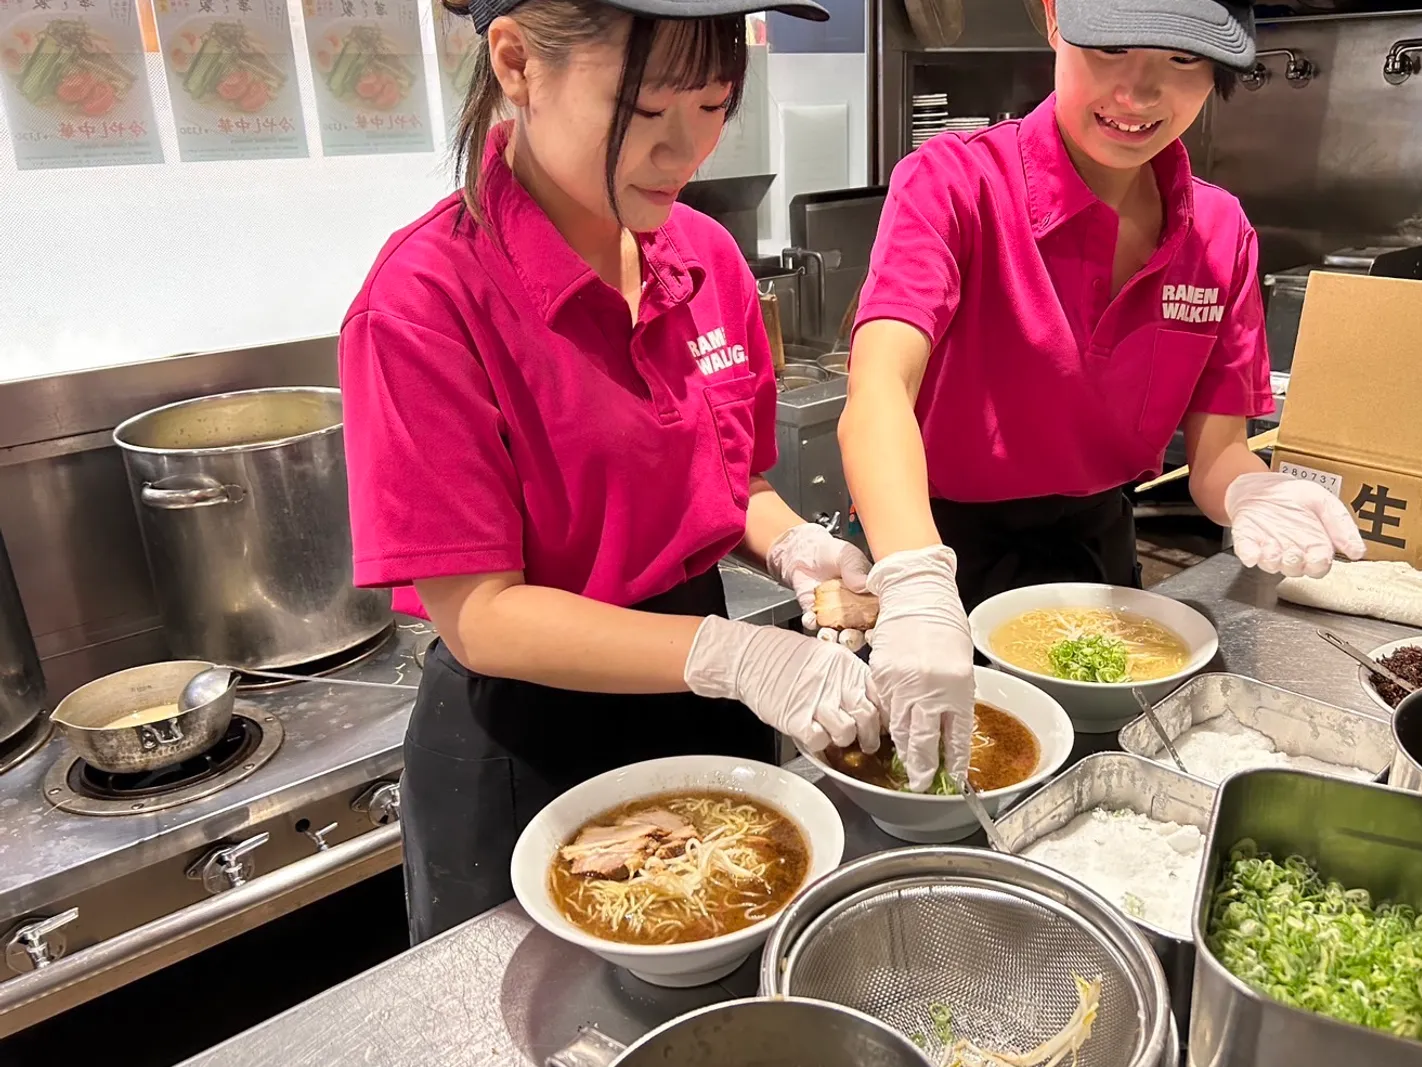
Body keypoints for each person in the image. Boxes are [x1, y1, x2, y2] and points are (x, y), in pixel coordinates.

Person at [339, 0, 880, 943]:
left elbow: (736, 481)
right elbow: (482, 614)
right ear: (515, 63)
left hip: (707, 715)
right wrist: (736, 652)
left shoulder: (705, 256)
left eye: (713, 106)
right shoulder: (425, 299)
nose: (688, 152)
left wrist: (793, 545)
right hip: (529, 742)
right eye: (645, 112)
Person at [838, 0, 1364, 792]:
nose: (1140, 92)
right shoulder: (955, 184)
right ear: (1054, 17)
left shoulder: (1220, 235)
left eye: (1183, 60)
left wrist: (1251, 487)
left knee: (1097, 788)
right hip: (932, 552)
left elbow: (1214, 458)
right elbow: (879, 385)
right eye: (1112, 46)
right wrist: (913, 583)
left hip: (1098, 568)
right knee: (927, 790)